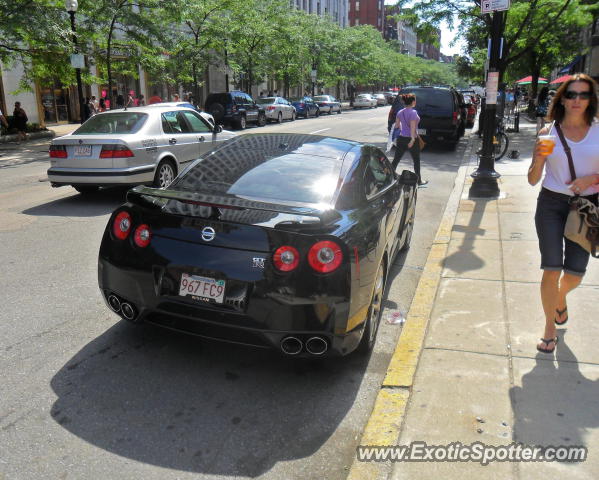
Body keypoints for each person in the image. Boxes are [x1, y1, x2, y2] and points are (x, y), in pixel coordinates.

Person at [527, 73, 599, 354]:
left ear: (591, 99)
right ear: (562, 99)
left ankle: (560, 299)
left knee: (575, 274)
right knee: (551, 268)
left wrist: (591, 179)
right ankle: (549, 328)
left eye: (583, 94)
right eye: (571, 95)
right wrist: (540, 157)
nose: (577, 100)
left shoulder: (597, 130)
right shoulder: (548, 133)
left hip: (587, 208)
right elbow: (533, 180)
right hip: (551, 205)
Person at [391, 93, 428, 186]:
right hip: (411, 139)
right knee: (416, 160)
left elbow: (396, 126)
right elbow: (412, 127)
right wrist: (412, 140)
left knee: (396, 159)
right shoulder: (413, 112)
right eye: (414, 100)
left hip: (401, 138)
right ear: (412, 102)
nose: (415, 101)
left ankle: (389, 177)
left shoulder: (400, 112)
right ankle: (419, 181)